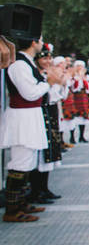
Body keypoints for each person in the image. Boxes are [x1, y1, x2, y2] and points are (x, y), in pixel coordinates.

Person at [0, 35, 63, 222]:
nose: (43, 43)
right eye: (41, 40)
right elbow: (29, 93)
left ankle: (20, 202)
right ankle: (12, 210)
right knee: (20, 163)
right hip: (22, 118)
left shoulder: (26, 62)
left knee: (28, 162)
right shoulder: (19, 64)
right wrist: (48, 83)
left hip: (30, 116)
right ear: (34, 42)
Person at [28, 47, 65, 204]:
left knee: (50, 151)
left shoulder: (48, 74)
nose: (48, 62)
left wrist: (59, 82)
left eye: (50, 58)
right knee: (41, 152)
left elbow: (59, 94)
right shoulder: (37, 75)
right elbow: (44, 95)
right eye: (44, 59)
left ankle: (44, 188)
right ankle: (36, 190)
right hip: (41, 114)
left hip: (50, 113)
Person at [70, 60, 89, 143]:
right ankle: (72, 136)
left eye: (81, 66)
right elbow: (73, 87)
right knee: (73, 117)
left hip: (83, 97)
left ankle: (81, 136)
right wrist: (78, 78)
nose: (79, 68)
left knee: (83, 116)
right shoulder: (73, 76)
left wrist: (83, 78)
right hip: (75, 97)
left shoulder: (87, 77)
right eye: (78, 66)